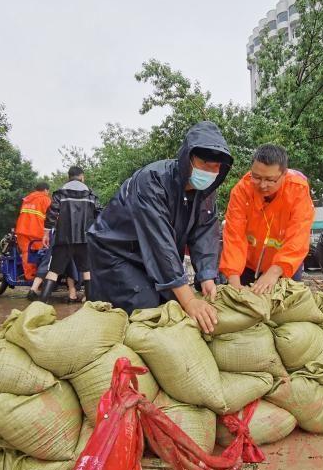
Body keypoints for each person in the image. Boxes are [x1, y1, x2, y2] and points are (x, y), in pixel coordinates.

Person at [87, 121, 233, 333]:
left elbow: (205, 235)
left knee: (171, 304)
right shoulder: (152, 181)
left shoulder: (207, 193)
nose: (210, 171)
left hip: (153, 259)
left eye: (215, 167)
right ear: (188, 158)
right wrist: (190, 301)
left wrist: (207, 276)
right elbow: (160, 244)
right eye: (204, 163)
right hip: (116, 252)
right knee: (146, 308)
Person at [220, 144, 314, 294]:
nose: (262, 185)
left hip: (285, 264)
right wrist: (233, 280)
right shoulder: (241, 191)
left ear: (284, 175)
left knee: (285, 308)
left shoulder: (298, 190)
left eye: (270, 180)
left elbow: (298, 237)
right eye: (256, 177)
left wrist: (274, 272)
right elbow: (234, 236)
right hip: (247, 264)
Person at [39, 166, 102, 302]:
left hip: (63, 239)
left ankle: (40, 305)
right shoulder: (91, 195)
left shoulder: (60, 193)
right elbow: (100, 216)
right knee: (87, 271)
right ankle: (90, 305)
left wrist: (46, 234)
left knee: (54, 271)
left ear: (69, 177)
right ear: (82, 176)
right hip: (85, 239)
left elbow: (51, 214)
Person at [15, 182, 51, 282]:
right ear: (45, 190)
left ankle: (30, 277)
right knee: (40, 253)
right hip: (36, 231)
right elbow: (52, 215)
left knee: (26, 253)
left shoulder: (27, 199)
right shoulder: (45, 199)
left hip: (21, 230)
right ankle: (39, 279)